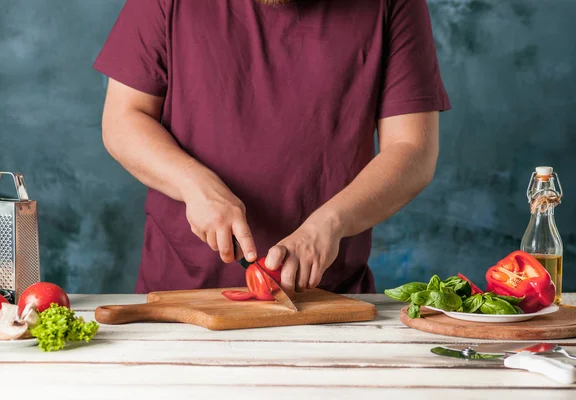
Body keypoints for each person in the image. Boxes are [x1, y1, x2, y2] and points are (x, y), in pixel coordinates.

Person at [93, 0, 451, 296]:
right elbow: (124, 119)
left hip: (326, 299)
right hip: (179, 294)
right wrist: (194, 185)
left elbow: (412, 148)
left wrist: (331, 222)